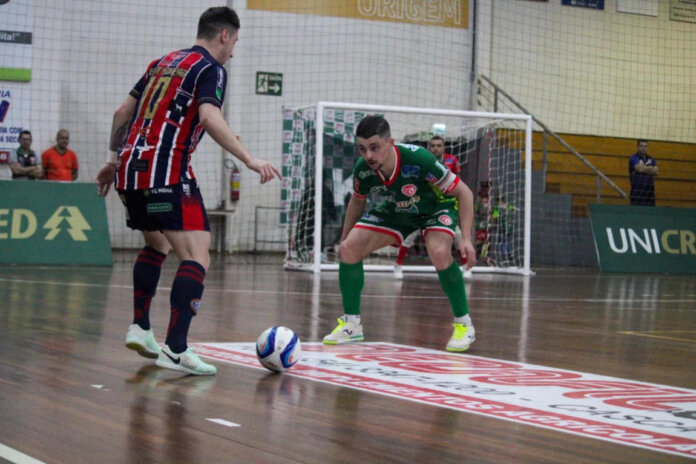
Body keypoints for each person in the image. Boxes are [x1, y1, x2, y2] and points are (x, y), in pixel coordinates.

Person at [95, 6, 281, 376]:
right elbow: (210, 118)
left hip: (130, 171)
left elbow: (121, 113)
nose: (234, 51)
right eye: (235, 42)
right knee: (198, 255)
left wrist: (114, 160)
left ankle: (141, 327)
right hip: (167, 172)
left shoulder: (161, 62)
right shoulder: (212, 69)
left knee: (157, 244)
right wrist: (249, 159)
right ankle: (176, 349)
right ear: (224, 35)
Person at [323, 116, 477, 352]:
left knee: (438, 251)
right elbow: (357, 201)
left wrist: (466, 239)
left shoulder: (419, 159)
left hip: (436, 208)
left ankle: (464, 324)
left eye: (374, 148)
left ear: (390, 143)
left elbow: (464, 193)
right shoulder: (364, 170)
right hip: (398, 209)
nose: (369, 156)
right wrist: (345, 238)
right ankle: (352, 325)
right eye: (362, 149)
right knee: (349, 249)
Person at [393, 135, 461, 279]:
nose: (435, 148)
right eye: (433, 145)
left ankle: (467, 267)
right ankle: (398, 265)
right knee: (410, 235)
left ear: (444, 147)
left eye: (439, 145)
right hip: (422, 204)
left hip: (443, 205)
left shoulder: (452, 160)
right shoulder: (421, 160)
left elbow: (458, 182)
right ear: (428, 147)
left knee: (458, 234)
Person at [628, 139, 658, 206]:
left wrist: (644, 168)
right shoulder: (633, 158)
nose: (643, 148)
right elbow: (639, 169)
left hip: (649, 194)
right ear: (638, 147)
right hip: (637, 193)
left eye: (645, 146)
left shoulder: (651, 159)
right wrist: (650, 168)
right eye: (641, 146)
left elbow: (656, 172)